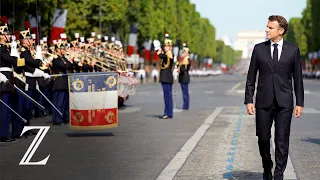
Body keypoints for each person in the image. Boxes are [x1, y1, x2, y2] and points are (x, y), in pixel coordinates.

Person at [244, 15, 304, 180]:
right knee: (263, 138)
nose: (266, 30)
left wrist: (299, 102)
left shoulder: (293, 50)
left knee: (282, 140)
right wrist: (249, 99)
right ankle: (267, 166)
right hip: (263, 101)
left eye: (270, 28)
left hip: (285, 102)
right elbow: (251, 77)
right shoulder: (258, 49)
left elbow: (298, 78)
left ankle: (278, 175)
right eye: (267, 26)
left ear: (281, 30)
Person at [0, 23, 18, 142]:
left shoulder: (5, 48)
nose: (8, 37)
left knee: (7, 108)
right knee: (4, 109)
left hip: (8, 79)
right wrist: (15, 56)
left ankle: (5, 132)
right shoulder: (1, 48)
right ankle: (3, 134)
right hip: (3, 80)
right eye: (6, 35)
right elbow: (9, 60)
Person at [153, 33, 174, 119]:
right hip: (166, 78)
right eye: (164, 46)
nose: (165, 47)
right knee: (167, 96)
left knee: (167, 97)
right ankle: (168, 113)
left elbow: (161, 55)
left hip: (166, 78)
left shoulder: (169, 54)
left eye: (166, 46)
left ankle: (168, 113)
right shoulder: (167, 54)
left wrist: (157, 48)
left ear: (170, 47)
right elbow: (162, 56)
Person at [176, 43, 190, 110]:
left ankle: (185, 105)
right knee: (184, 92)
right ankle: (185, 105)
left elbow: (185, 69)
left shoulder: (186, 60)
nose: (182, 54)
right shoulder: (183, 60)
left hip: (184, 77)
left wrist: (180, 68)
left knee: (185, 93)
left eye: (184, 52)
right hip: (182, 78)